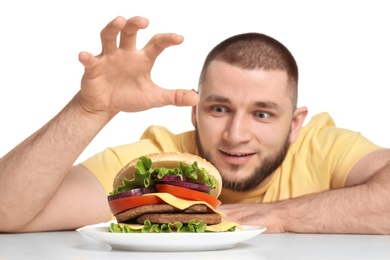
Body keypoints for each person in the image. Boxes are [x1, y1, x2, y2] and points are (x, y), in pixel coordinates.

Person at [0, 15, 389, 234]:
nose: (236, 135)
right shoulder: (156, 161)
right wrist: (89, 110)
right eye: (219, 109)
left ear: (295, 123)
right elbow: (6, 213)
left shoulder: (324, 147)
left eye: (263, 113)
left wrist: (281, 215)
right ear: (194, 112)